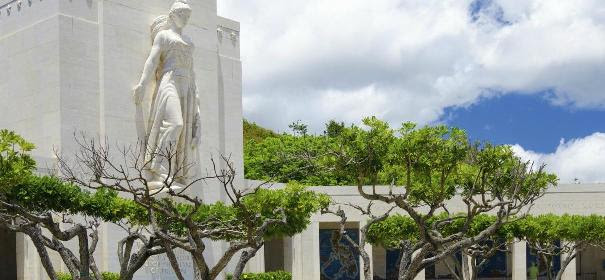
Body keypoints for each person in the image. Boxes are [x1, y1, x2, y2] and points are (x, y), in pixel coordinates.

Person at [133, 0, 201, 190]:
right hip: (169, 81)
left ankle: (173, 171)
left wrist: (197, 104)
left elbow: (193, 72)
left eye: (188, 16)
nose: (185, 19)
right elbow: (152, 60)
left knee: (183, 131)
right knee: (175, 123)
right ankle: (160, 168)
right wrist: (142, 84)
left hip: (187, 86)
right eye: (182, 15)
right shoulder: (163, 36)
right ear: (172, 16)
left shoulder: (190, 41)